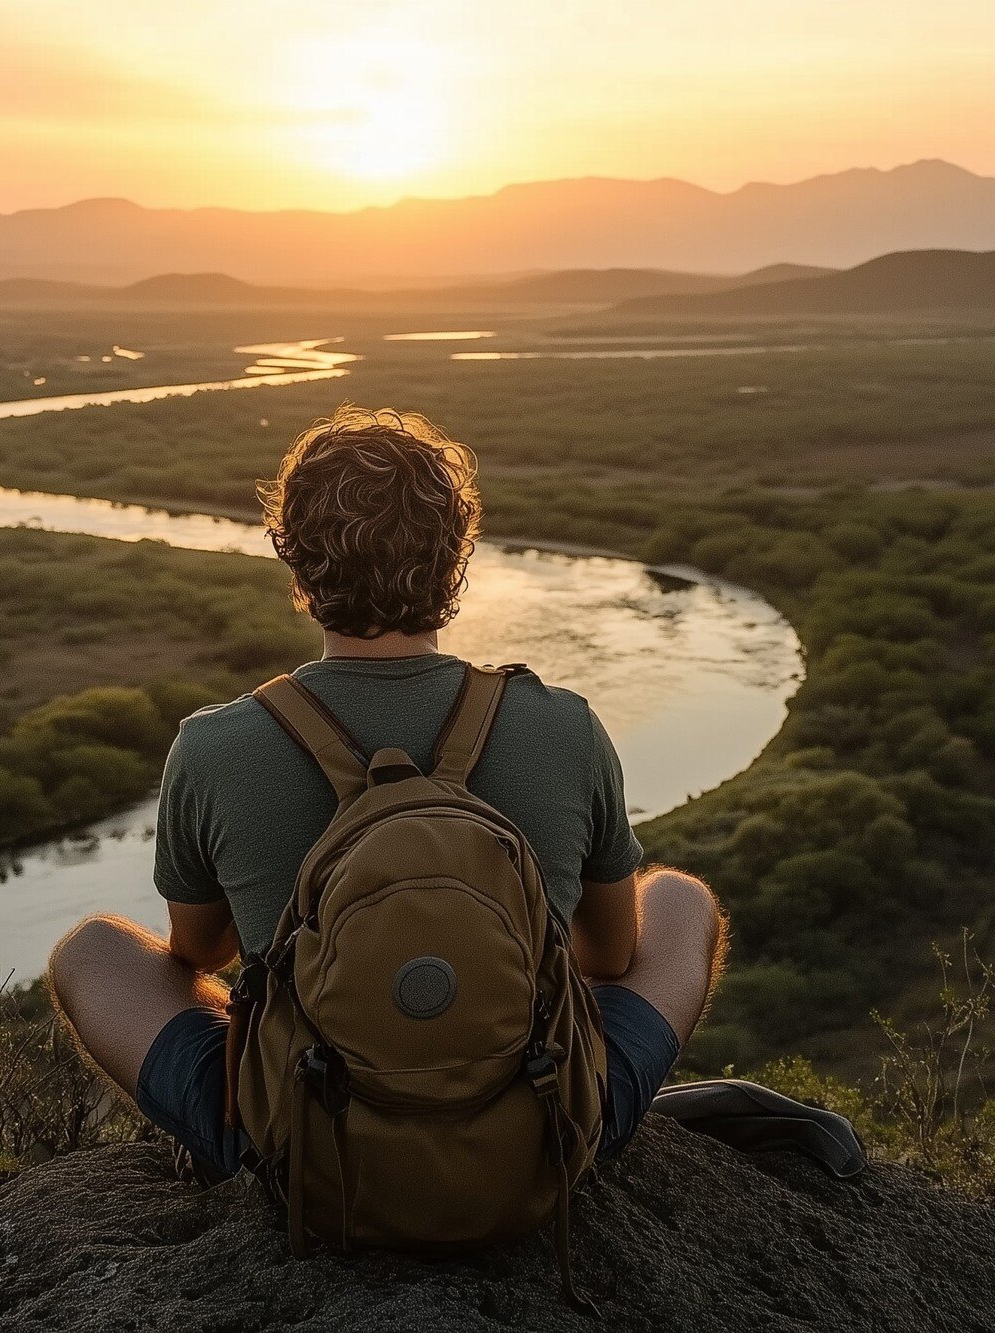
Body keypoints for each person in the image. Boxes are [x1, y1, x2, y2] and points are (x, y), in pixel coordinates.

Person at [48, 404, 725, 1184]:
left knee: (92, 950)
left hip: (308, 1151)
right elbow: (610, 955)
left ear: (297, 569)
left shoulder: (214, 746)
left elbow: (204, 953)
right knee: (680, 899)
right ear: (455, 563)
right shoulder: (564, 727)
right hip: (542, 1130)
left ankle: (251, 1146)